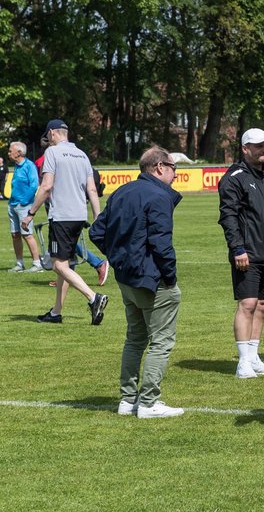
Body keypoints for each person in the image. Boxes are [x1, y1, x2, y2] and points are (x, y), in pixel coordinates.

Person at [89, 147, 183, 418]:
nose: (176, 173)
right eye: (173, 167)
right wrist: (169, 277)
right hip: (151, 279)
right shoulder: (158, 196)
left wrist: (120, 259)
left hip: (127, 279)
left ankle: (128, 399)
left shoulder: (122, 191)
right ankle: (149, 402)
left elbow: (98, 231)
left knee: (135, 339)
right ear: (159, 167)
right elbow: (161, 243)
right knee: (160, 342)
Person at [218, 128, 264, 379]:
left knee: (262, 305)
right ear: (245, 148)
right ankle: (243, 362)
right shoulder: (234, 178)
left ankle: (254, 357)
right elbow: (228, 217)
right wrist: (238, 248)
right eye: (258, 146)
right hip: (247, 253)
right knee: (247, 304)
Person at [21, 120, 108, 325]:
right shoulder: (82, 154)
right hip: (79, 215)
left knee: (57, 265)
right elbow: (92, 190)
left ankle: (93, 298)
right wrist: (97, 217)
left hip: (61, 216)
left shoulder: (53, 152)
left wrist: (31, 213)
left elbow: (46, 186)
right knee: (65, 263)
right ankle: (56, 312)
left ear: (52, 133)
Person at [7, 141, 42, 272]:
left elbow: (34, 185)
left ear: (19, 153)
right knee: (15, 234)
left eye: (11, 151)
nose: (9, 153)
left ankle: (37, 263)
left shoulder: (29, 166)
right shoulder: (17, 166)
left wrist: (23, 201)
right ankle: (19, 263)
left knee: (27, 234)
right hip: (12, 204)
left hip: (24, 205)